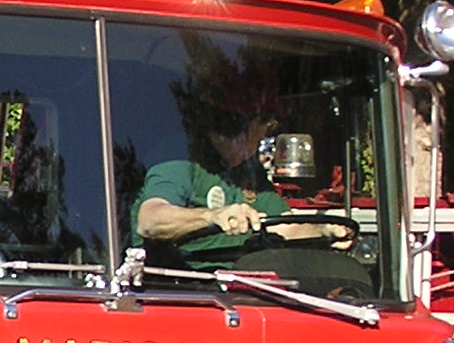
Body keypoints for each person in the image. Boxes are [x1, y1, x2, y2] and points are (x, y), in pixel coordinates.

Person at [131, 70, 330, 262]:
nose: (264, 136)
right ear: (243, 125)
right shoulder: (179, 159)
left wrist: (324, 232)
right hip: (176, 286)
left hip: (240, 286)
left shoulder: (248, 167)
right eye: (265, 125)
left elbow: (285, 227)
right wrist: (211, 216)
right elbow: (150, 220)